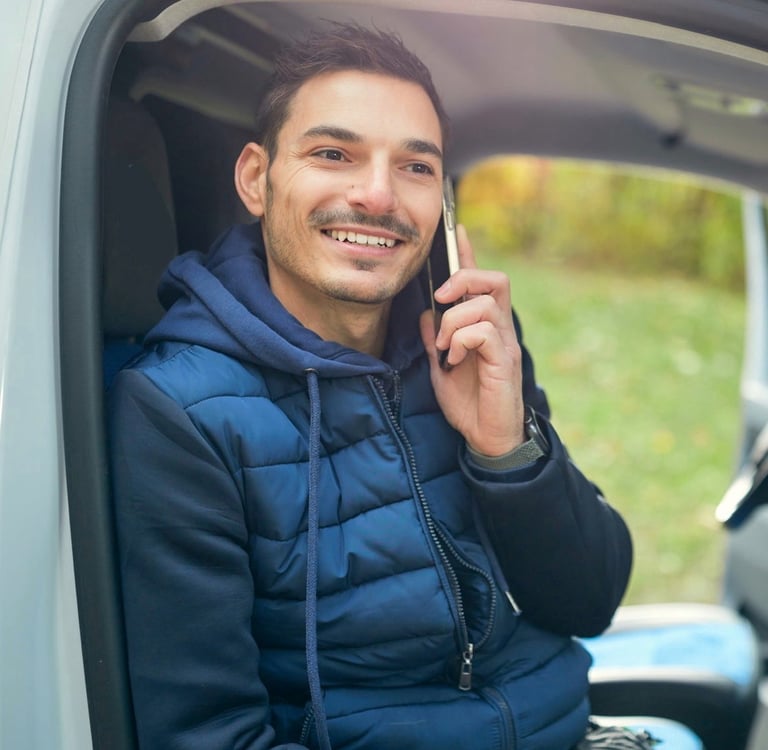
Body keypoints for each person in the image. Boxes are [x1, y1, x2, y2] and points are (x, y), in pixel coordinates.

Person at [108, 21, 632, 750]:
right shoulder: (180, 411)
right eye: (333, 154)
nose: (379, 196)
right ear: (256, 179)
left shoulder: (469, 342)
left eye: (416, 168)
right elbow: (211, 737)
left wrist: (505, 451)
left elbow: (593, 599)